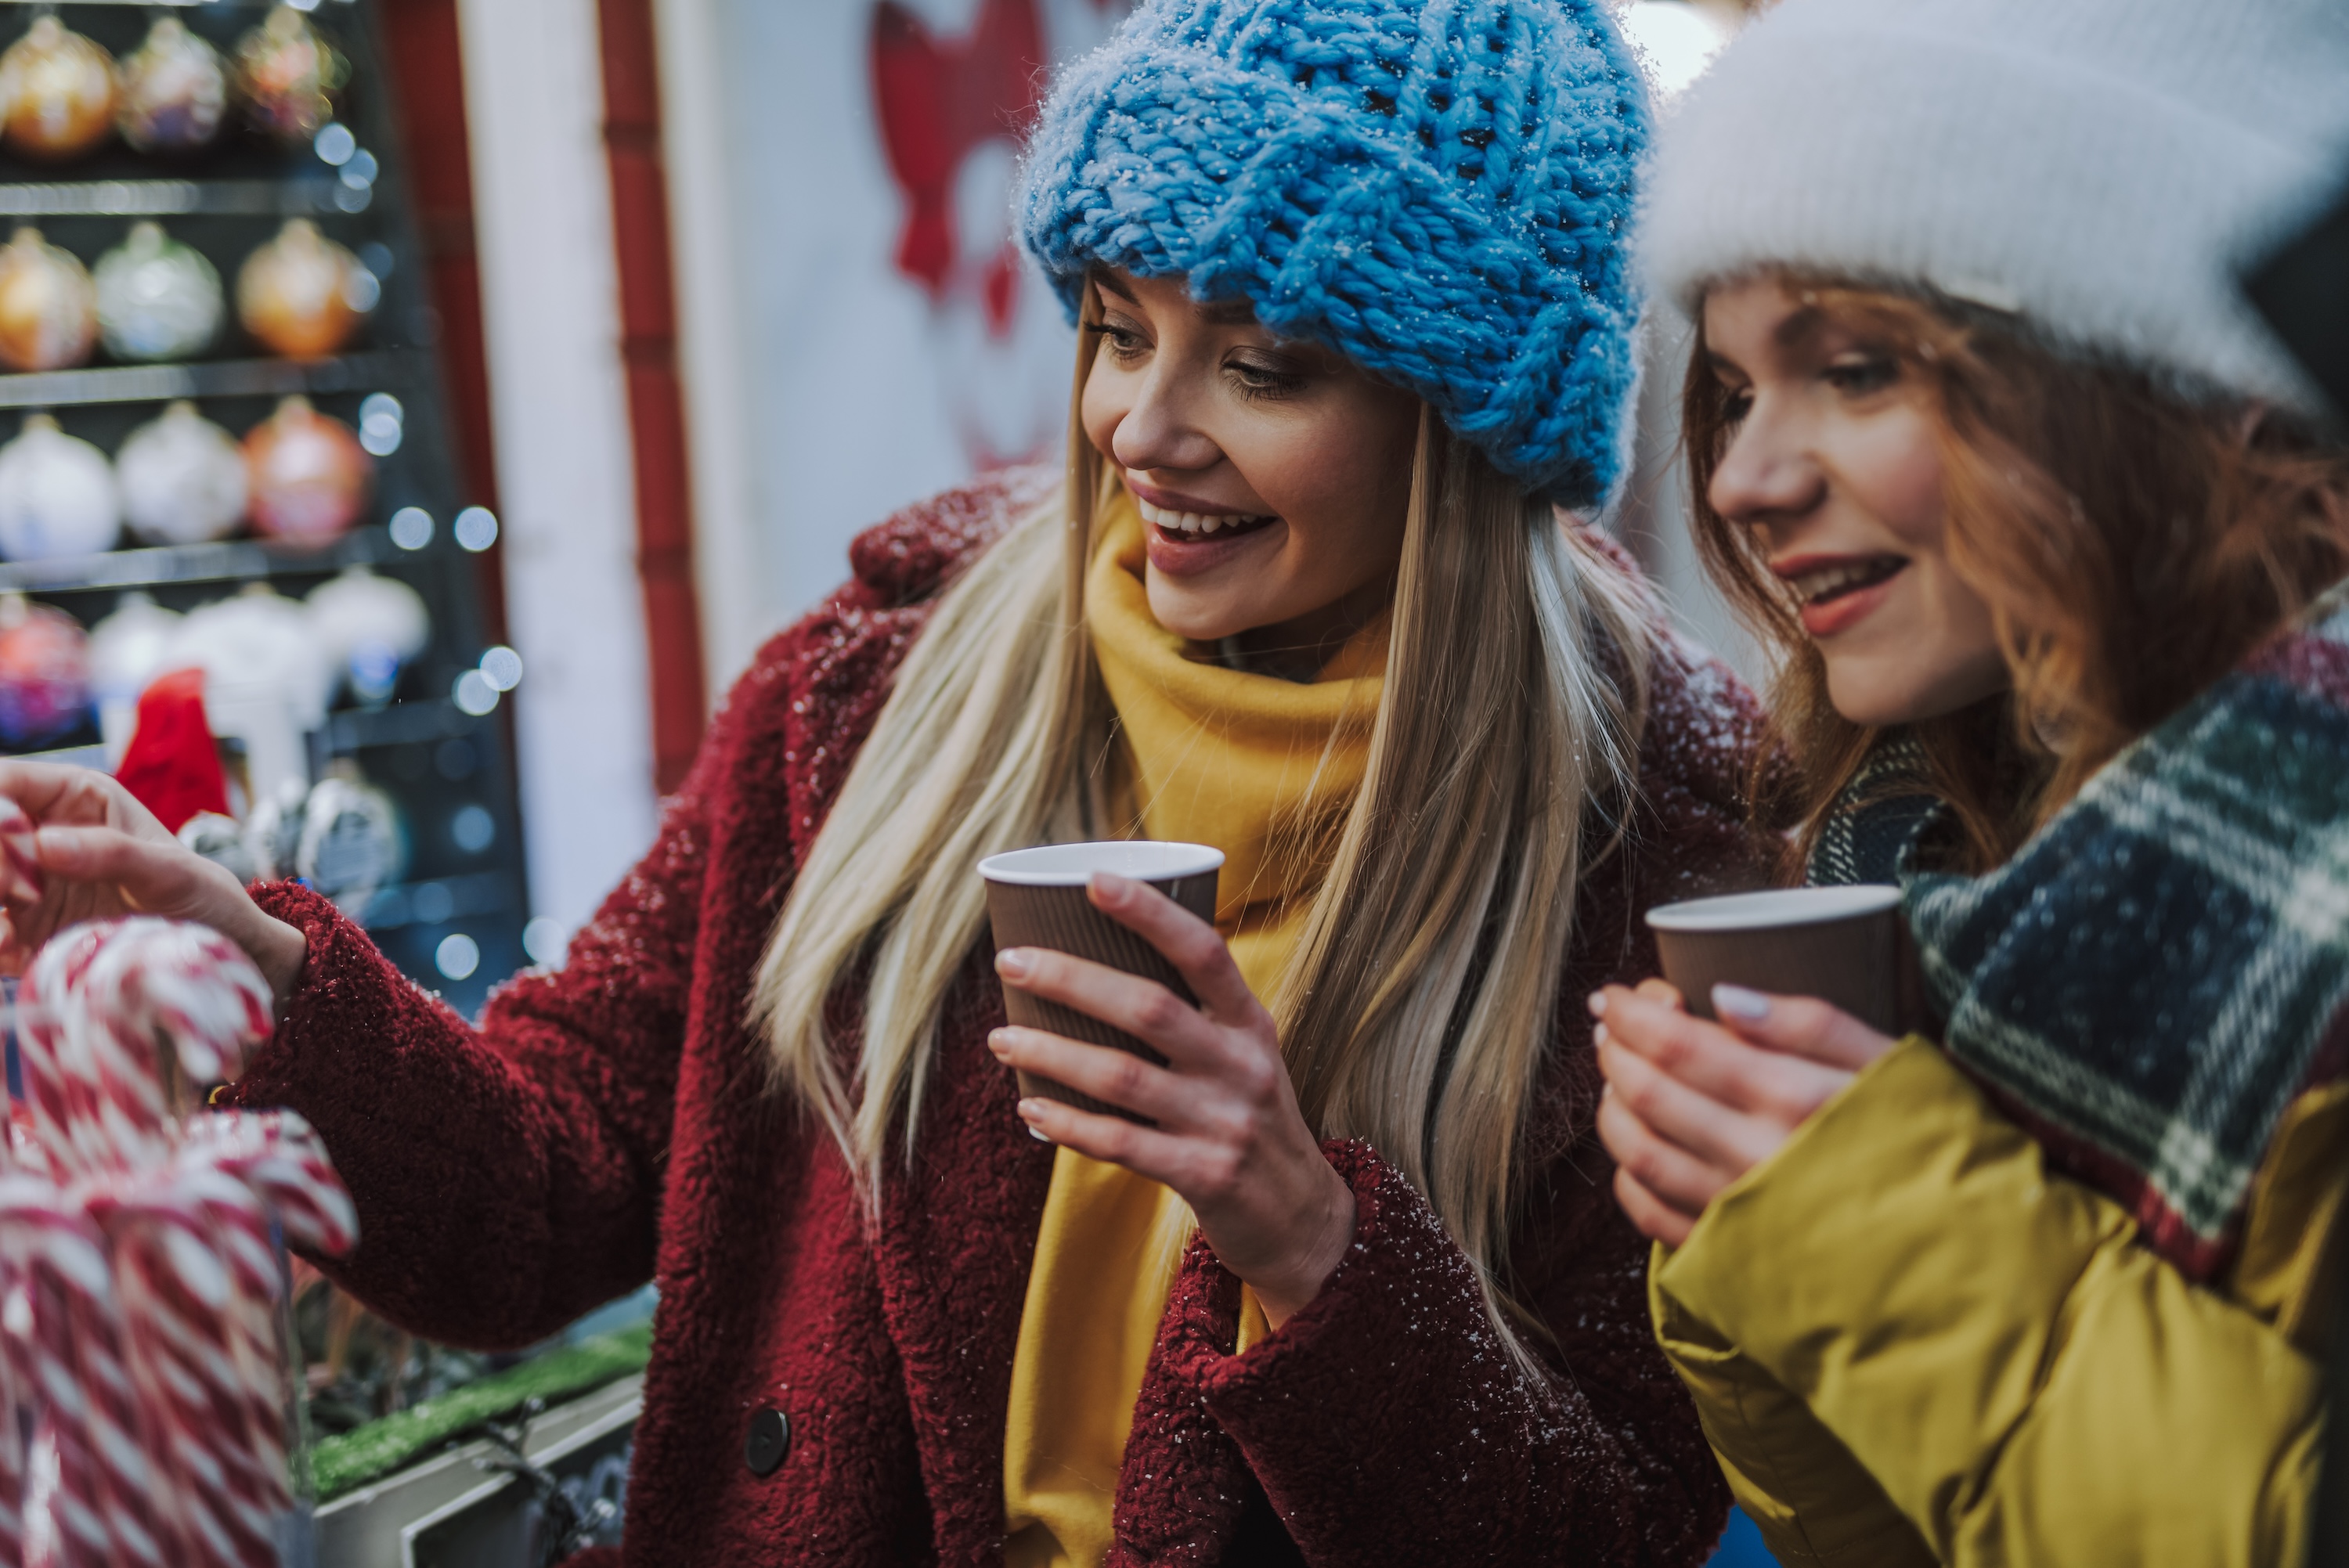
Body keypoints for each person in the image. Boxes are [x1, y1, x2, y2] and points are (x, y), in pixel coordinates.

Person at [0, 0, 1766, 1562]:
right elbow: (540, 1196)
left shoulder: (1663, 851)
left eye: (1264, 363)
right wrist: (256, 966)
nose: (1142, 427)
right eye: (1116, 324)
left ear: (1466, 425)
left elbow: (1609, 1522)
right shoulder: (871, 694)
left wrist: (1308, 1237)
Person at [1588, 0, 2349, 1563]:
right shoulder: (1927, 843)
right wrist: (1752, 1232)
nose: (1741, 477)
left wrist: (1870, 1225)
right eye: (1733, 389)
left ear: (2153, 389)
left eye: (1856, 370)